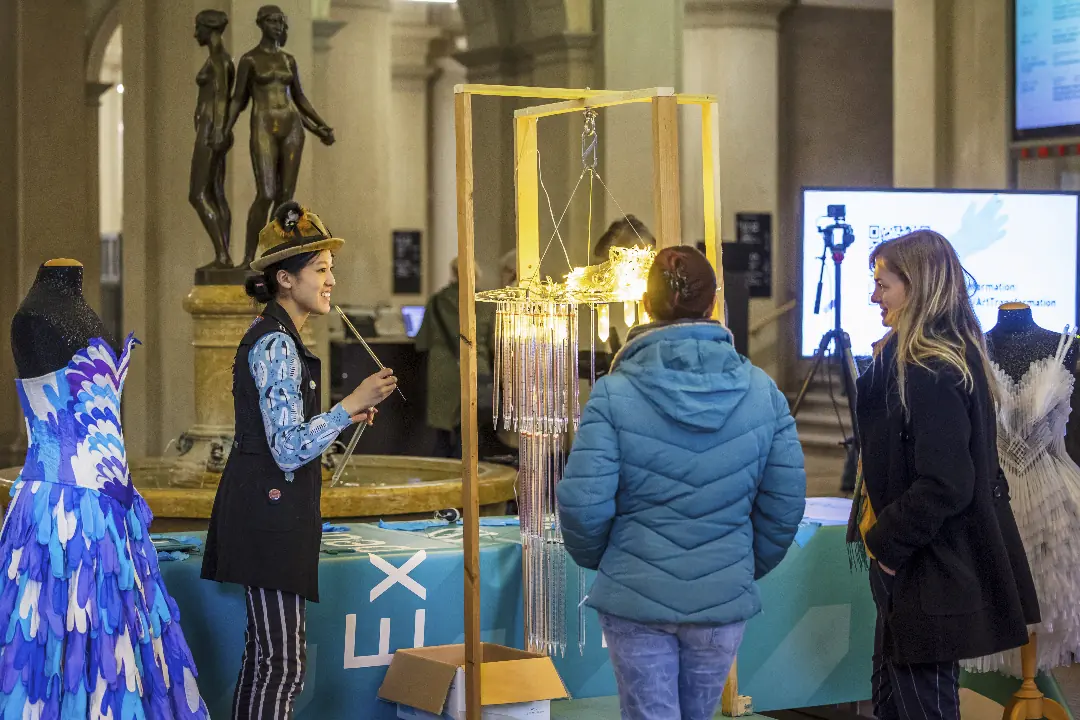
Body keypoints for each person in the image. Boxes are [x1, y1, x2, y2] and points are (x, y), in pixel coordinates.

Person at [556, 246, 806, 720]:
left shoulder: (613, 393)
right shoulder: (763, 392)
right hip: (721, 595)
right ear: (714, 303)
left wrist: (614, 561)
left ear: (645, 305)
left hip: (636, 593)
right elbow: (786, 501)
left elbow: (583, 503)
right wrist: (737, 565)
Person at [201, 202, 397, 719]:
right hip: (268, 518)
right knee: (280, 663)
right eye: (321, 269)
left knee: (270, 660)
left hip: (271, 514)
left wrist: (343, 417)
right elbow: (288, 448)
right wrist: (348, 405)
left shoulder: (280, 337)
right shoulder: (275, 344)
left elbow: (287, 438)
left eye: (331, 269)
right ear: (285, 279)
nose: (331, 281)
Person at [849, 230, 1037, 720]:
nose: (873, 296)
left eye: (883, 285)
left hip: (927, 566)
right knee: (895, 703)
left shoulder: (930, 366)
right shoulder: (928, 356)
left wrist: (886, 545)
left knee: (923, 707)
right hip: (921, 563)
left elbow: (947, 481)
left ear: (917, 286)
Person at [217, 5, 335, 266]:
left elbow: (299, 98)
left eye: (281, 22)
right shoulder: (250, 60)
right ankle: (248, 257)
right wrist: (223, 129)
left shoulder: (288, 60)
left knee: (285, 197)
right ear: (261, 23)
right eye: (272, 21)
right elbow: (237, 99)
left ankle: (273, 253)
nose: (278, 26)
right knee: (266, 193)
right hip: (263, 125)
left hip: (292, 126)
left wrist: (321, 126)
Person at [415, 257, 496, 458]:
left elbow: (422, 342)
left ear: (453, 273)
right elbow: (494, 344)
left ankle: (443, 473)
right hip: (475, 369)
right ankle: (468, 472)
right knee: (470, 432)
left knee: (442, 436)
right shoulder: (486, 303)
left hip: (442, 372)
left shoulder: (436, 302)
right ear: (476, 275)